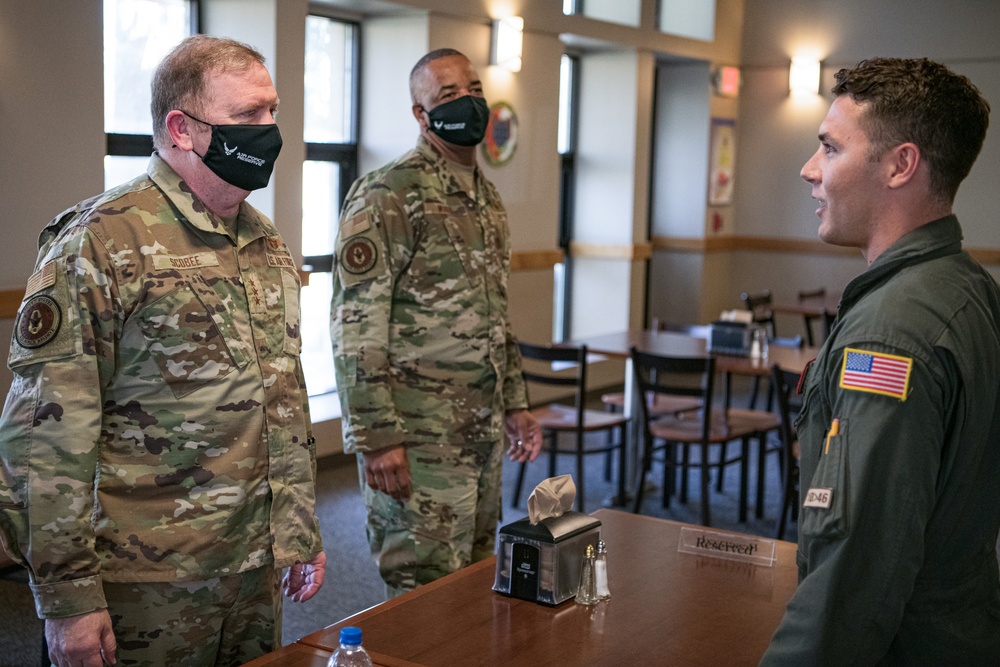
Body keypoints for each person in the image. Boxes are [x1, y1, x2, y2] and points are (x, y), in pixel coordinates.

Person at [0, 35, 325, 667]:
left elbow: (281, 398)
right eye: (247, 116)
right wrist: (68, 599)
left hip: (251, 566)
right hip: (144, 583)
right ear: (182, 129)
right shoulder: (101, 240)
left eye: (272, 112)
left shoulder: (264, 242)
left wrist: (298, 529)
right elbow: (46, 442)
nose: (269, 131)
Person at [761, 58, 1000, 664]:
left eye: (830, 149)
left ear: (901, 165)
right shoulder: (968, 285)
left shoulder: (892, 332)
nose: (809, 170)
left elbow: (857, 571)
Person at [330, 48, 542, 598]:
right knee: (422, 591)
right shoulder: (388, 193)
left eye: (472, 88)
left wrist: (515, 403)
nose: (467, 101)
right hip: (417, 440)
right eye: (447, 96)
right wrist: (376, 438)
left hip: (480, 433)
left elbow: (496, 313)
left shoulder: (486, 198)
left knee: (475, 579)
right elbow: (357, 324)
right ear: (421, 116)